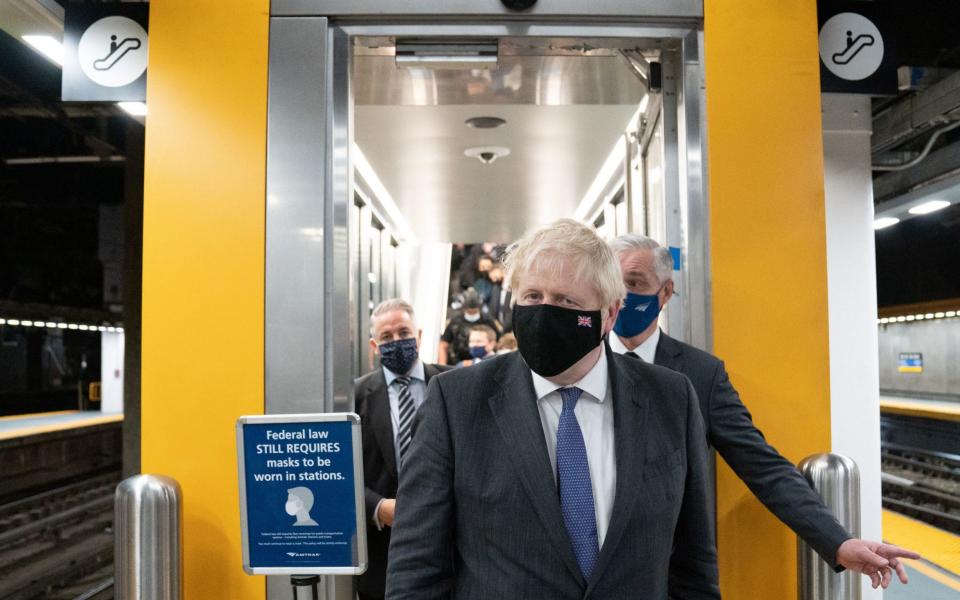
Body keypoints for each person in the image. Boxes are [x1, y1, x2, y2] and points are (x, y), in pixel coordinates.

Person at [387, 219, 719, 599]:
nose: (544, 313)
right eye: (531, 297)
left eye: (566, 301)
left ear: (609, 314)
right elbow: (416, 567)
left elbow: (694, 564)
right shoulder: (457, 402)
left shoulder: (671, 399)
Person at [608, 233, 921, 590]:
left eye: (634, 283)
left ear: (665, 293)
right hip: (594, 575)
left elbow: (763, 466)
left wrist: (839, 541)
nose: (622, 296)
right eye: (614, 284)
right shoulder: (583, 364)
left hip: (671, 577)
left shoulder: (700, 374)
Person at [353, 298, 451, 600]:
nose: (397, 341)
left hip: (448, 541)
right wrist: (378, 508)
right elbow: (344, 469)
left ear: (419, 335)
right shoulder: (356, 396)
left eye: (404, 333)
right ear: (374, 345)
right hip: (382, 548)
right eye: (386, 337)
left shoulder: (453, 384)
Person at [438, 288, 501, 365]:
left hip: (484, 362)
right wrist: (442, 364)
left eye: (474, 311)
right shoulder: (455, 322)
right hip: (458, 362)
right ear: (464, 309)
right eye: (469, 311)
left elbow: (498, 342)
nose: (472, 314)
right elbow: (443, 344)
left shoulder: (488, 321)